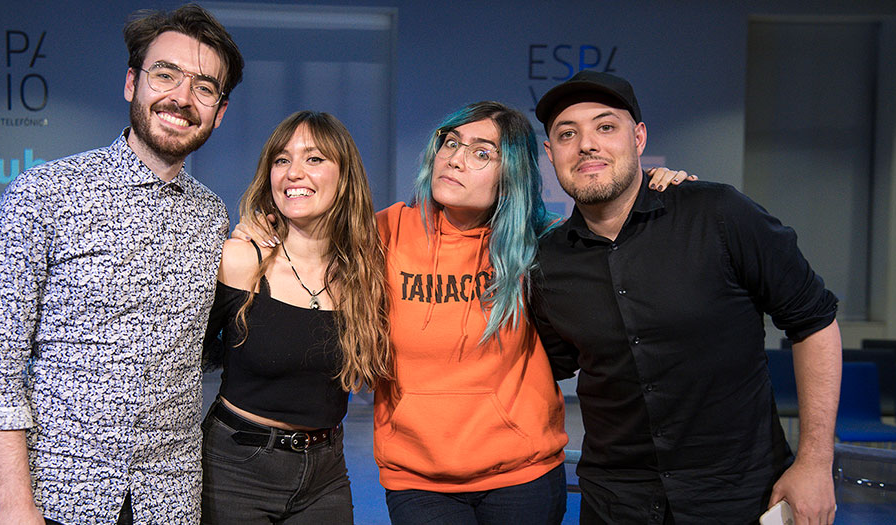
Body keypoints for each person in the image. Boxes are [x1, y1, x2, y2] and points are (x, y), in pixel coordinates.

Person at [236, 102, 688, 525]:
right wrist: (259, 226)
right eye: (450, 144)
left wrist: (659, 191)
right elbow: (310, 233)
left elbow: (619, 239)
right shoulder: (384, 232)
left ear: (510, 172)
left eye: (481, 153)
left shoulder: (541, 243)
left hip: (522, 476)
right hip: (418, 480)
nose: (454, 159)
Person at [0, 5, 243, 524]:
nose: (181, 97)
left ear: (219, 112)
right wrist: (15, 503)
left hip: (167, 501)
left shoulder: (211, 215)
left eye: (204, 87)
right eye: (166, 74)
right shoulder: (44, 194)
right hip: (51, 495)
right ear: (132, 82)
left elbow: (192, 352)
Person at [529, 70, 841, 524]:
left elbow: (814, 321)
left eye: (606, 126)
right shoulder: (547, 261)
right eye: (567, 134)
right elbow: (544, 368)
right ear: (550, 153)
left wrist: (814, 462)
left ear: (639, 138)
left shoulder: (719, 214)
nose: (587, 145)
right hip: (615, 504)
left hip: (738, 498)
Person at [200, 111, 390, 523]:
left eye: (314, 159)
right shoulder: (240, 260)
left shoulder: (364, 273)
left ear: (344, 177)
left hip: (325, 474)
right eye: (281, 160)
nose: (293, 172)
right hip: (236, 469)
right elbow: (190, 357)